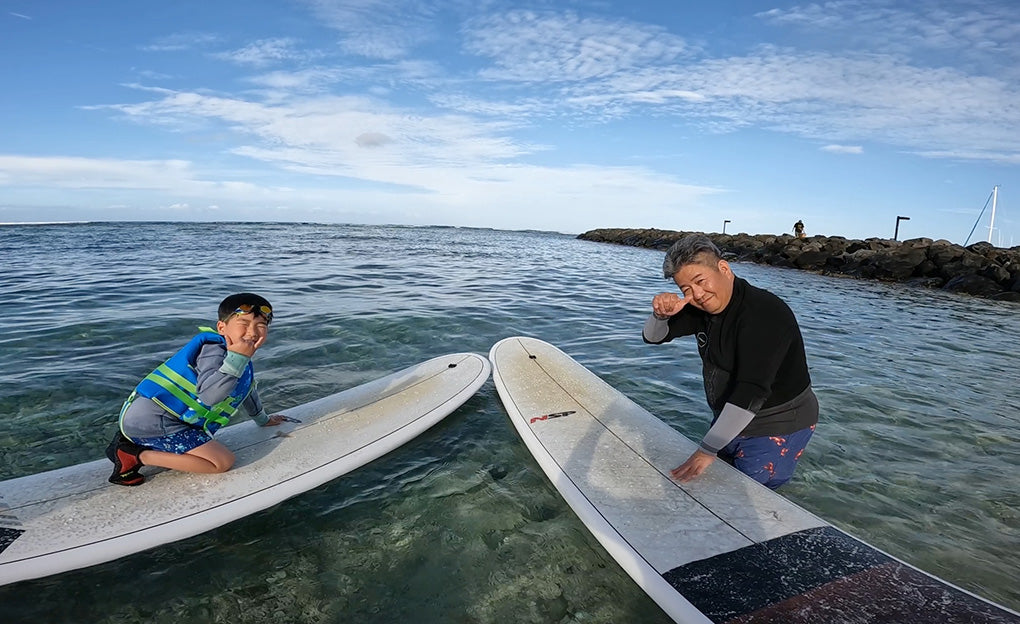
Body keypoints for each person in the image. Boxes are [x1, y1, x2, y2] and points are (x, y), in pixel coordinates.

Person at [642, 235, 818, 489]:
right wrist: (660, 315)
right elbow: (653, 337)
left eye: (700, 281)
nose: (697, 294)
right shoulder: (702, 308)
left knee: (748, 494)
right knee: (713, 487)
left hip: (777, 423)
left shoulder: (764, 312)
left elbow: (753, 389)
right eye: (685, 289)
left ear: (724, 268)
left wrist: (706, 449)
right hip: (732, 414)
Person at [105, 293, 287, 486]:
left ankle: (138, 444)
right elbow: (209, 396)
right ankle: (132, 454)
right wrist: (238, 359)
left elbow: (246, 390)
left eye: (261, 325)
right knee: (221, 462)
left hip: (167, 419)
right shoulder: (213, 350)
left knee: (215, 453)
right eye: (244, 323)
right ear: (221, 327)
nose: (252, 332)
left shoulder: (238, 359)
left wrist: (263, 420)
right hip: (152, 421)